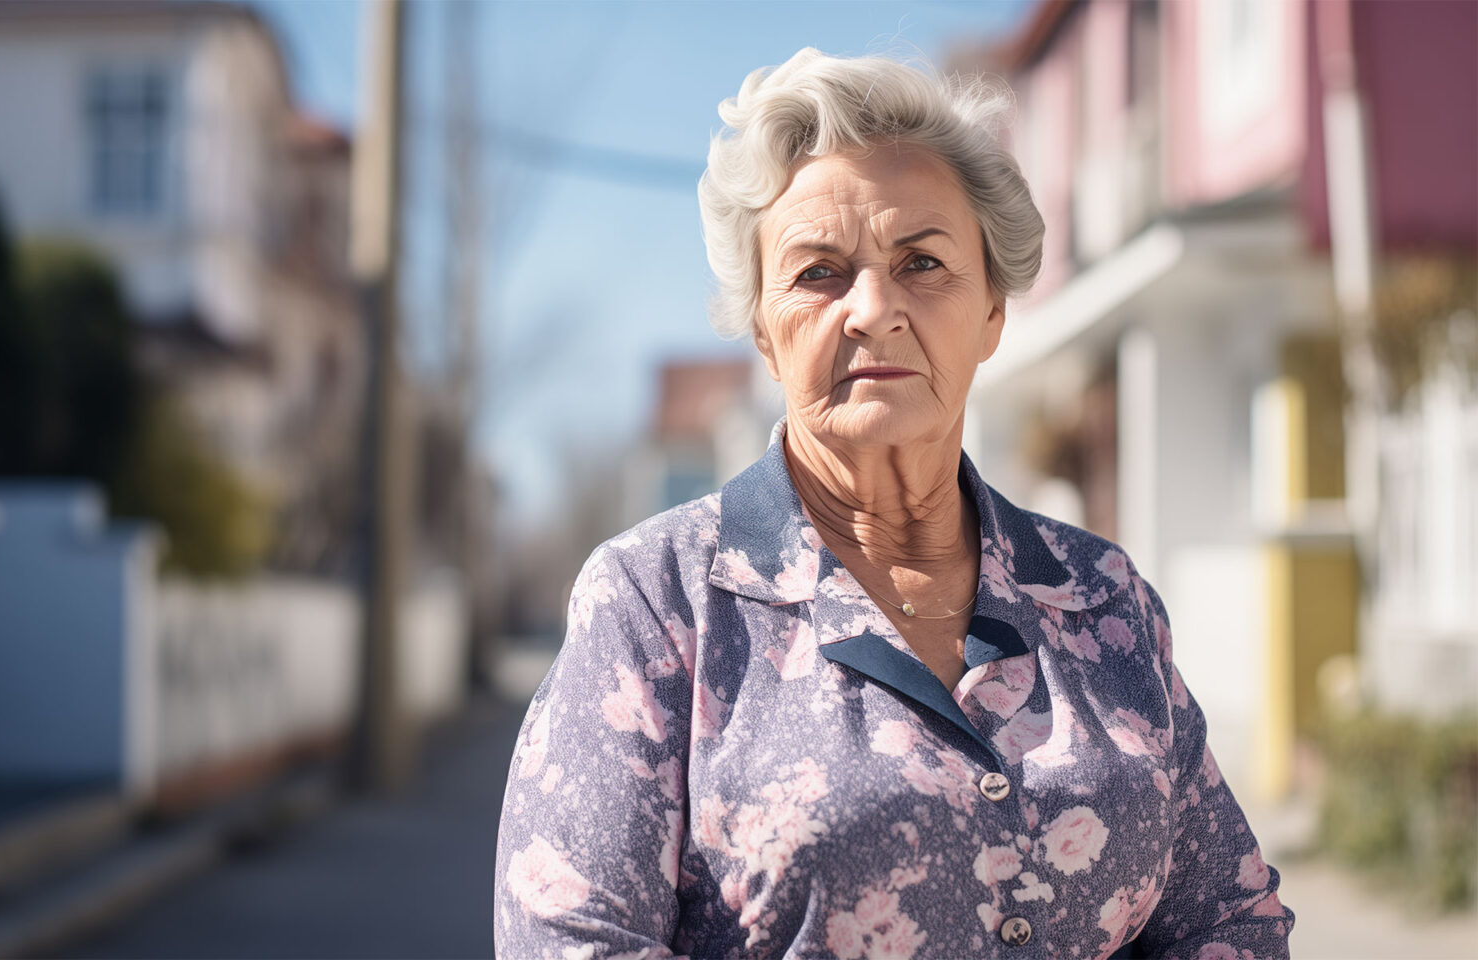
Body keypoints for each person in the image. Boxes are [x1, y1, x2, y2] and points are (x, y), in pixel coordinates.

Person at [494, 48, 1294, 959]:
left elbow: (1228, 919)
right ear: (763, 328)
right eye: (819, 273)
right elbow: (572, 940)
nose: (872, 308)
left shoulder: (1101, 595)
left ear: (992, 311)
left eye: (921, 262)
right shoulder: (656, 604)